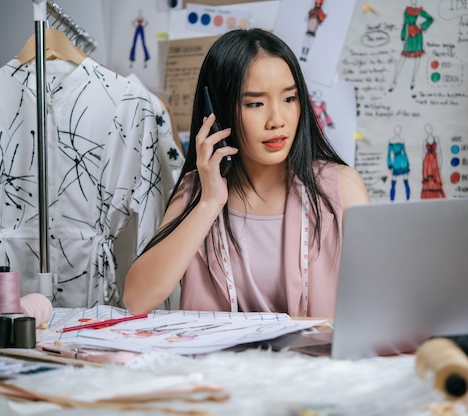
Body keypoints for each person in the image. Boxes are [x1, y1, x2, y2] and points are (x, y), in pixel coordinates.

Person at [123, 28, 370, 318]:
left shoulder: (340, 187)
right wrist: (209, 203)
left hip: (314, 362)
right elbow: (136, 300)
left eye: (289, 99)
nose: (277, 120)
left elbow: (378, 301)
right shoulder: (196, 192)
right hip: (220, 364)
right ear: (217, 110)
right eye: (255, 103)